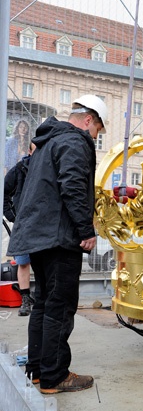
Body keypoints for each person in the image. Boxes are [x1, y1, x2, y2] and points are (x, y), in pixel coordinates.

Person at [8, 94, 108, 394]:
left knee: (43, 307)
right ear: (88, 120)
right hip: (60, 238)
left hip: (39, 237)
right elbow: (73, 186)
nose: (95, 137)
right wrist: (85, 230)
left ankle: (38, 371)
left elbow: (14, 183)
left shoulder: (46, 143)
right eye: (97, 131)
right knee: (60, 308)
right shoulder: (75, 142)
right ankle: (55, 376)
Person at [3, 143, 36, 316]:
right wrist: (11, 215)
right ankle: (25, 300)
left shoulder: (49, 168)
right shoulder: (19, 169)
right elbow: (4, 192)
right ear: (29, 151)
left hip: (43, 224)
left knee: (43, 262)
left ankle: (41, 300)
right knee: (23, 262)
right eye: (34, 149)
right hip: (23, 224)